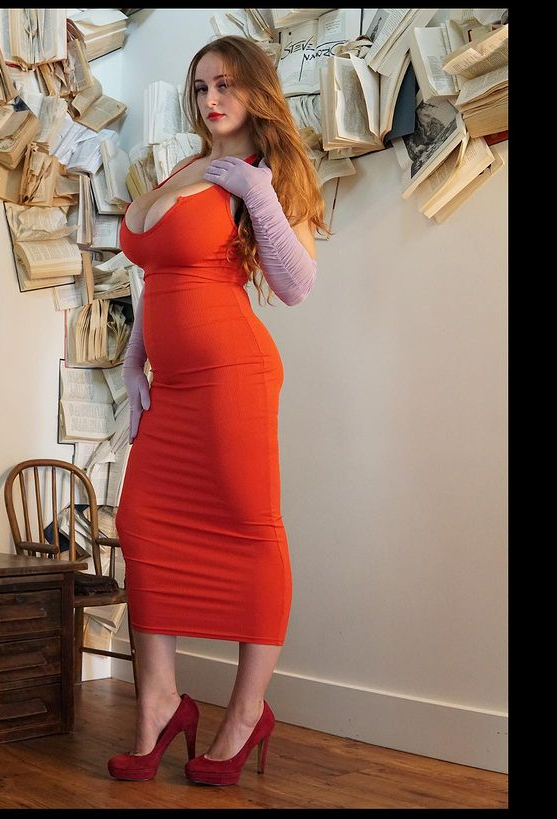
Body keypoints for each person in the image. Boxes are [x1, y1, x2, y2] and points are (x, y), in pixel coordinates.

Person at [109, 35, 330, 787]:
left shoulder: (266, 173)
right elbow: (161, 271)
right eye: (201, 86)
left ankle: (245, 714)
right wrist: (134, 355)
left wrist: (258, 194)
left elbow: (296, 285)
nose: (211, 99)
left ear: (255, 90)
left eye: (227, 84)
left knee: (251, 528)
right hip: (171, 387)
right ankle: (160, 704)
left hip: (233, 376)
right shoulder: (184, 168)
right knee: (140, 522)